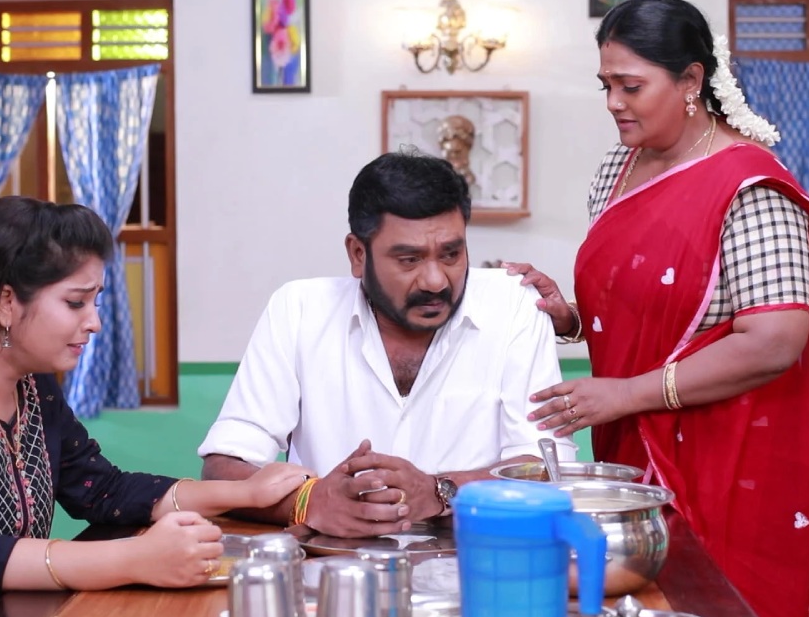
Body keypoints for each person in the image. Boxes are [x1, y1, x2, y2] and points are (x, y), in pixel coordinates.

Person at [509, 0, 809, 617]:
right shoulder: (618, 169)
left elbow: (774, 340)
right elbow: (650, 301)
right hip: (628, 437)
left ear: (691, 80)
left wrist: (625, 393)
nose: (613, 102)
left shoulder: (750, 188)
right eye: (606, 85)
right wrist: (569, 315)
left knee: (712, 602)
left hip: (727, 458)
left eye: (631, 86)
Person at [0, 196, 309, 617]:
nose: (94, 323)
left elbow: (102, 490)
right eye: (75, 303)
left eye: (96, 301)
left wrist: (244, 491)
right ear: (6, 302)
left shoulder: (34, 387)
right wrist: (135, 558)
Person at [199, 151, 574, 538]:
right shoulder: (299, 310)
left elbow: (548, 470)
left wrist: (440, 491)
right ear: (358, 254)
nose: (435, 281)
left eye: (451, 254)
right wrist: (311, 501)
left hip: (478, 560)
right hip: (328, 566)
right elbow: (225, 466)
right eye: (409, 259)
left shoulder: (514, 305)